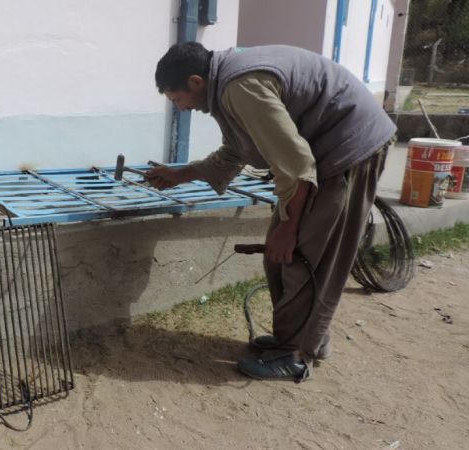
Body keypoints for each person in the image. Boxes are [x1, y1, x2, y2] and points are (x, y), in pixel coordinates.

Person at [148, 42, 396, 382]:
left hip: (349, 150)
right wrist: (182, 174)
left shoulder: (239, 86)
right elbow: (239, 148)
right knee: (279, 257)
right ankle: (300, 337)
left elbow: (295, 164)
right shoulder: (227, 82)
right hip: (330, 150)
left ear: (194, 81)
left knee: (301, 256)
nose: (183, 108)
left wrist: (288, 226)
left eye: (178, 100)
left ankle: (293, 355)